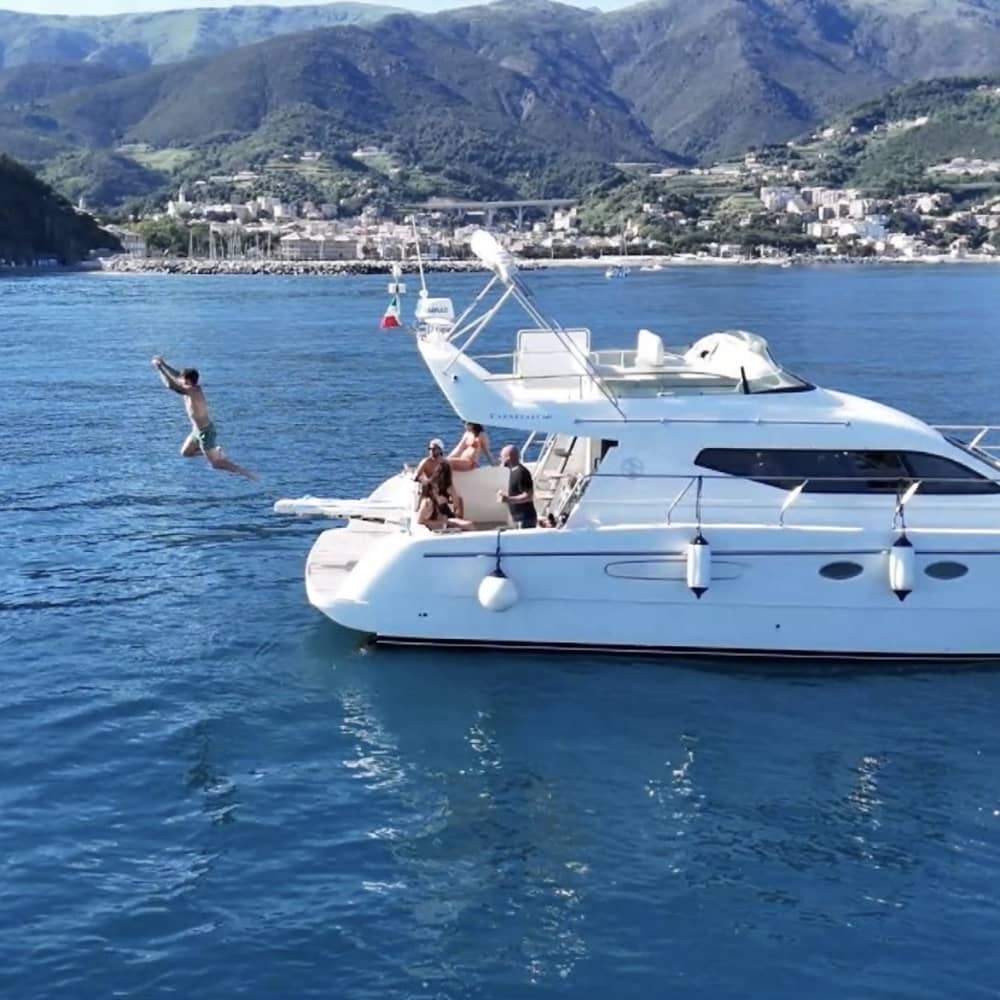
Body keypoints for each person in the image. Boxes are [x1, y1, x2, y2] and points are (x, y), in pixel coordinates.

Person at [151, 356, 257, 480]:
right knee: (186, 453)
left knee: (216, 464)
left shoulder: (193, 390)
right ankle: (214, 452)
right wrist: (164, 364)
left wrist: (159, 368)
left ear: (189, 381)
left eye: (183, 380)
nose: (180, 380)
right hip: (196, 431)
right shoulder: (189, 386)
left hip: (205, 432)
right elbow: (177, 376)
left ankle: (247, 473)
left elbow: (172, 385)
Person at [497, 444, 537, 529]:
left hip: (525, 519)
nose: (500, 459)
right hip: (517, 518)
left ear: (508, 458)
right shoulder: (511, 471)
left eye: (501, 457)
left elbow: (529, 496)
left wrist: (508, 499)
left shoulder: (522, 473)